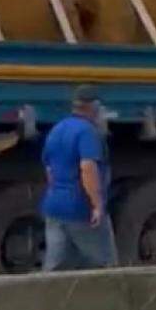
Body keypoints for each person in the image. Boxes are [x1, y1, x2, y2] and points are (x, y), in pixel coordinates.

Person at [41, 85, 117, 271]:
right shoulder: (87, 132)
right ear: (94, 107)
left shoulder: (57, 129)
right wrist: (97, 205)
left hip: (54, 207)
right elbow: (87, 168)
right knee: (105, 266)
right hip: (80, 209)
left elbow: (49, 169)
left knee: (56, 268)